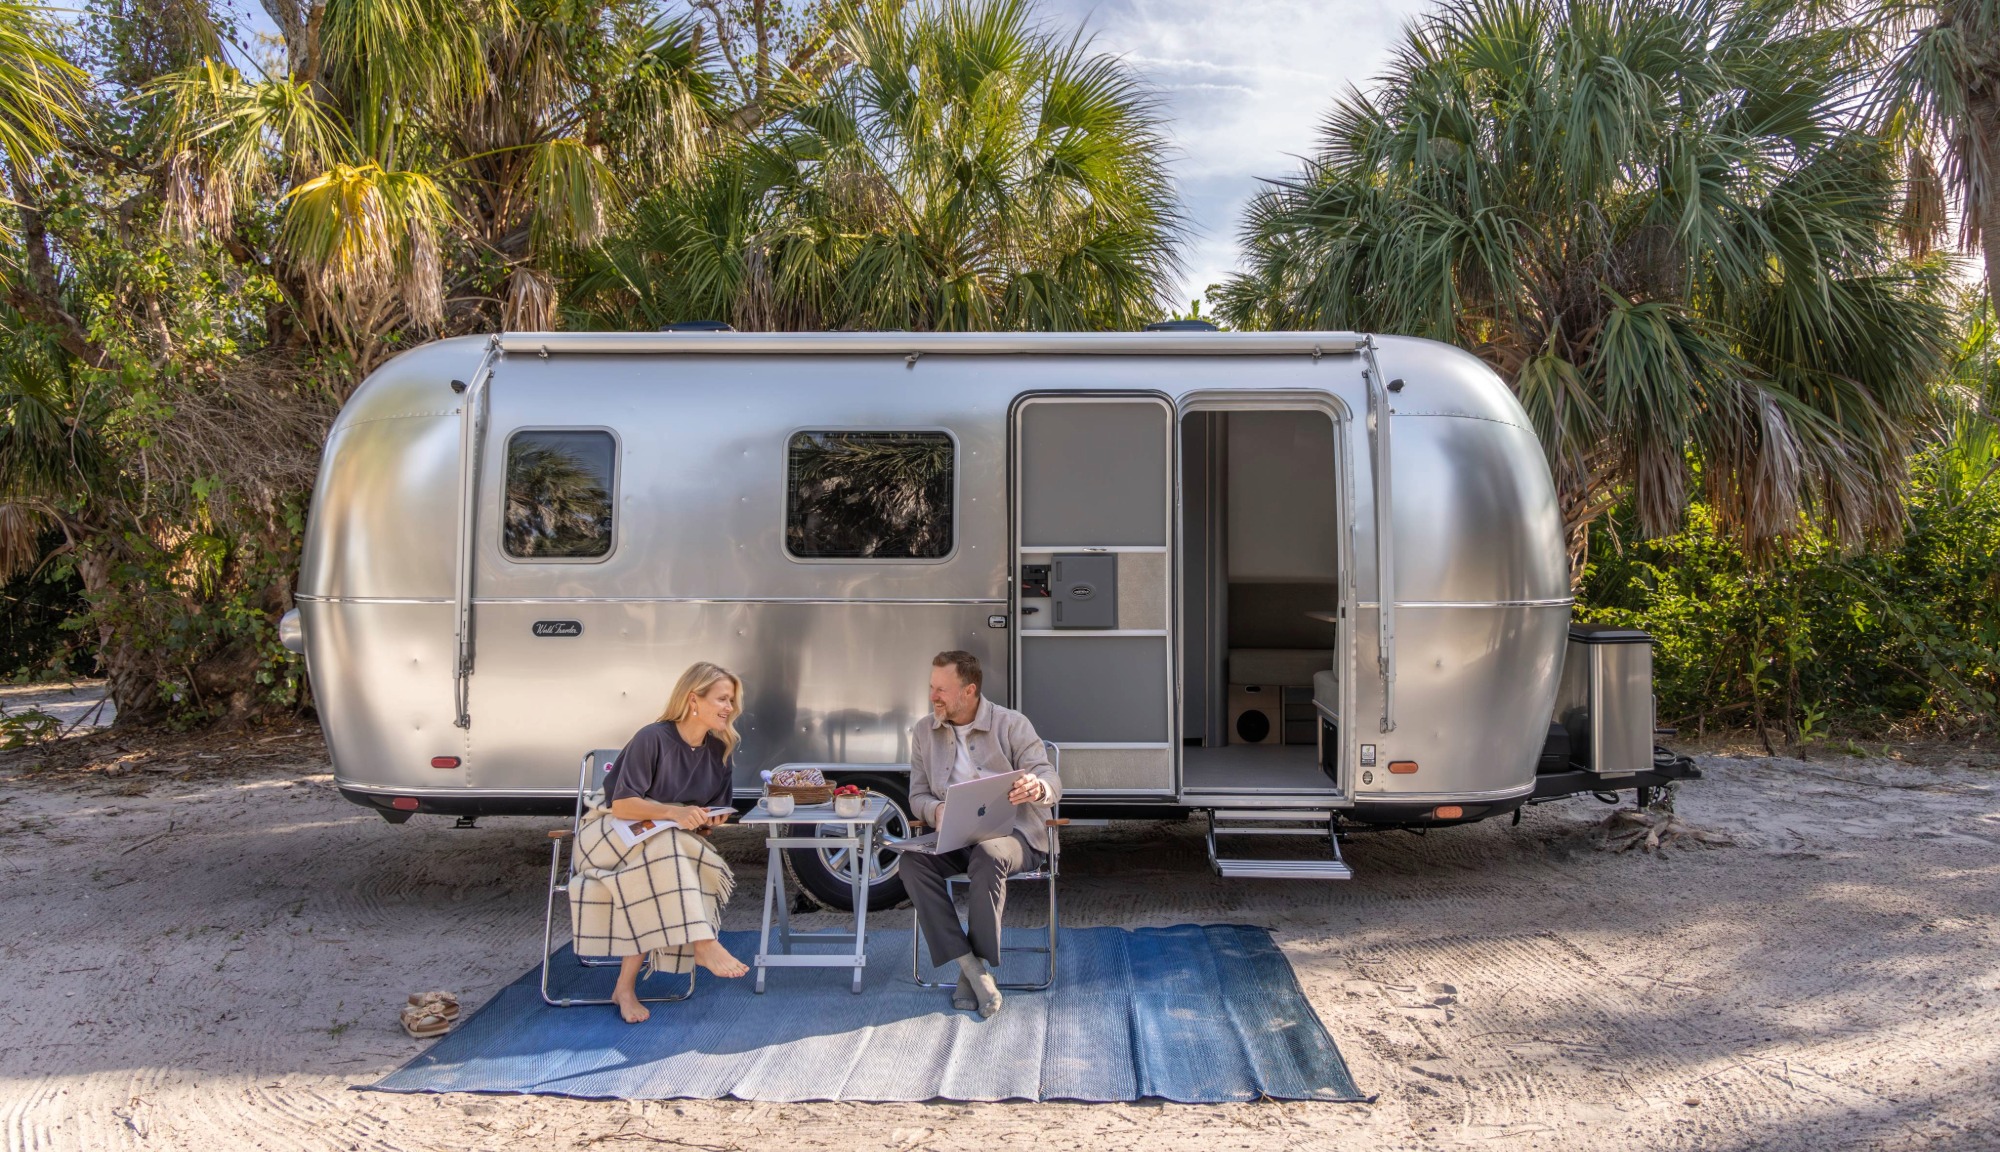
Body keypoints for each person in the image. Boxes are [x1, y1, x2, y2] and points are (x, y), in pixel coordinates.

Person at [570, 661, 751, 1024]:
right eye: (722, 698)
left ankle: (625, 987)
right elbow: (621, 805)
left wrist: (708, 820)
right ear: (693, 699)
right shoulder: (653, 738)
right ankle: (701, 942)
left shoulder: (720, 750)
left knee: (665, 855)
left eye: (732, 700)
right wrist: (674, 813)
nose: (729, 707)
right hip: (606, 834)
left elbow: (707, 811)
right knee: (667, 848)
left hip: (658, 845)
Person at [901, 650, 1060, 1018]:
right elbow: (917, 796)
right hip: (955, 835)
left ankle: (974, 967)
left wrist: (1036, 786)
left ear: (969, 690)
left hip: (1016, 837)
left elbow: (1051, 779)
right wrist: (936, 810)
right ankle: (971, 967)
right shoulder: (925, 731)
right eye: (931, 687)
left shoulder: (1011, 724)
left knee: (988, 855)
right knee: (911, 863)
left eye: (942, 689)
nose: (933, 696)